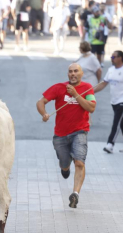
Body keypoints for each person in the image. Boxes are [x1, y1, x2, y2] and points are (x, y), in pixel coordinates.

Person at [37, 63, 96, 208]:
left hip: (80, 131)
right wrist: (44, 113)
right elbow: (41, 101)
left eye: (76, 71)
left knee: (80, 162)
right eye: (70, 72)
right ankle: (65, 168)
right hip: (61, 134)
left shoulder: (87, 87)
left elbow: (91, 107)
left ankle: (75, 194)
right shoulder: (59, 87)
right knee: (64, 163)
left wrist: (75, 94)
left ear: (81, 73)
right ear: (68, 74)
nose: (73, 74)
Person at [94, 51, 123, 153]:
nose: (111, 58)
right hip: (114, 101)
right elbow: (103, 84)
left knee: (116, 123)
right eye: (111, 56)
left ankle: (110, 144)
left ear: (120, 58)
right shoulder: (111, 70)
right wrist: (90, 91)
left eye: (113, 56)